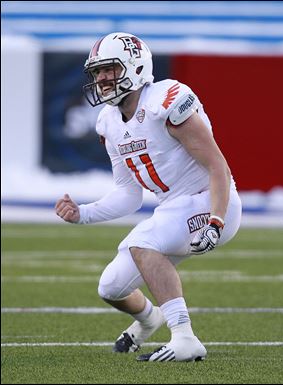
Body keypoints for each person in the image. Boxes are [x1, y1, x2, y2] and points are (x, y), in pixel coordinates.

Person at [55, 32, 242, 362]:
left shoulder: (166, 101)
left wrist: (216, 219)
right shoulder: (109, 122)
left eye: (108, 69)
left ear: (135, 66)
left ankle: (184, 336)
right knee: (111, 287)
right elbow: (129, 195)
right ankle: (148, 320)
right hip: (175, 210)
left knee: (143, 242)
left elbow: (218, 166)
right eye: (96, 72)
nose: (101, 79)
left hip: (209, 200)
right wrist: (82, 214)